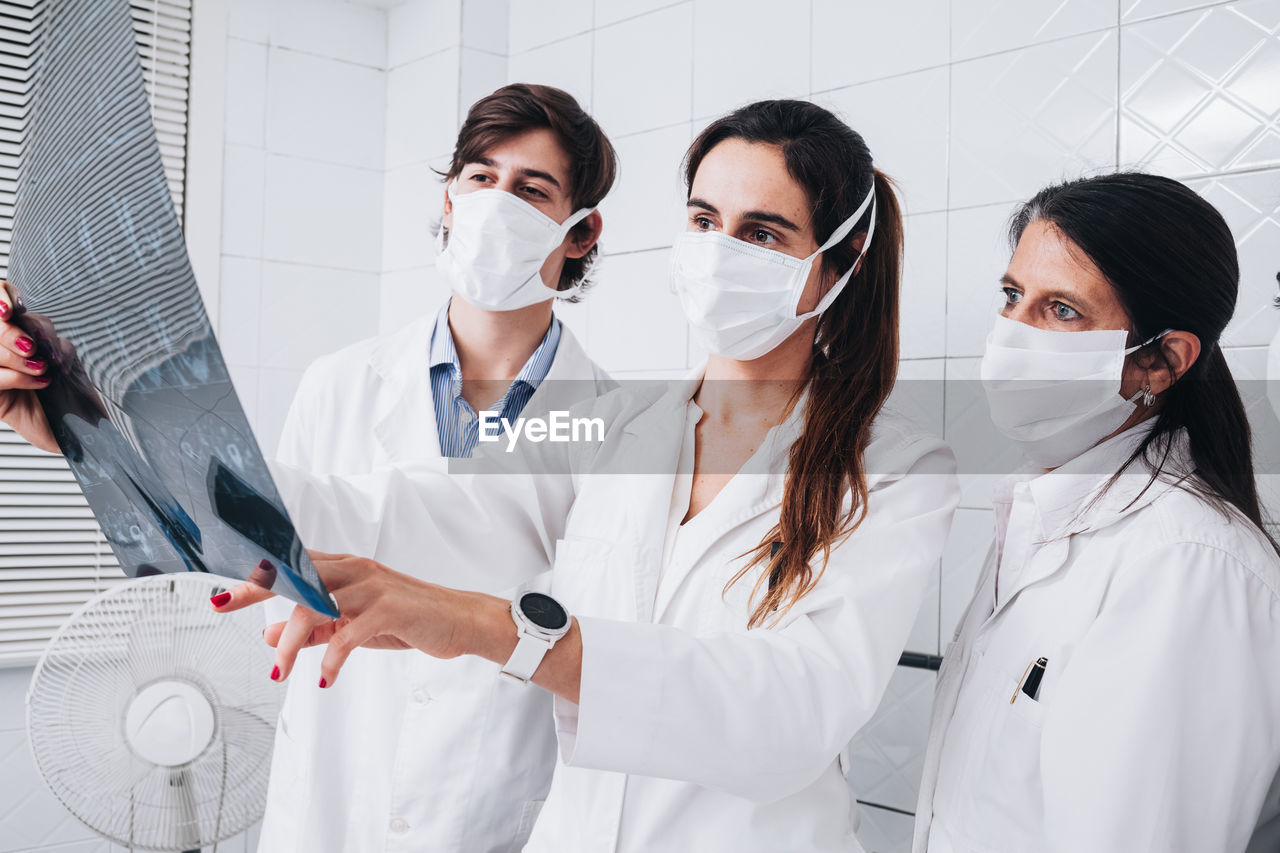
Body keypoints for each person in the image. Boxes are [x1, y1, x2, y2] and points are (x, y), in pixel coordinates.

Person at [205, 100, 962, 851]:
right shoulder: (616, 421)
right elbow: (447, 510)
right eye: (703, 220)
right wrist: (205, 475)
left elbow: (792, 708)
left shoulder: (895, 468)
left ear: (842, 258)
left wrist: (490, 628)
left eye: (761, 234)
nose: (720, 251)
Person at [256, 83, 617, 852]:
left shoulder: (619, 427)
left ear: (581, 233)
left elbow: (598, 646)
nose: (495, 204)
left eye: (531, 189)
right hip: (335, 785)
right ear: (449, 200)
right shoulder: (339, 383)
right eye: (480, 178)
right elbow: (276, 579)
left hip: (488, 803)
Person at [913, 173, 1280, 853]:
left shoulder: (1184, 565)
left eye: (1063, 311)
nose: (1011, 334)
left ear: (1161, 361)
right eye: (1012, 295)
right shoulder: (1037, 517)